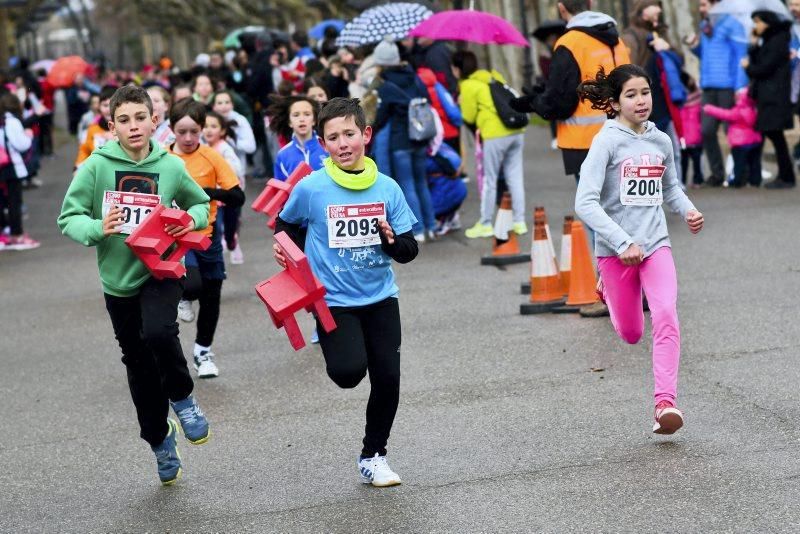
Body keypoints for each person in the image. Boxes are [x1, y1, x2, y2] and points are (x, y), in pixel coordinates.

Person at [57, 85, 212, 485]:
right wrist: (96, 227)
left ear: (154, 120)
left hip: (160, 270)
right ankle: (160, 440)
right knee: (139, 364)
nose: (133, 126)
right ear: (112, 126)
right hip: (118, 280)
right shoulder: (95, 166)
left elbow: (201, 204)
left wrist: (189, 220)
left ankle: (183, 398)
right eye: (123, 120)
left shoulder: (172, 166)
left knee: (160, 332)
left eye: (140, 118)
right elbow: (68, 217)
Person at [273, 97, 418, 487]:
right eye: (333, 137)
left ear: (365, 135)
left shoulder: (387, 189)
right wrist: (286, 250)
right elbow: (284, 226)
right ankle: (345, 347)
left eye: (349, 134)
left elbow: (409, 248)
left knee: (388, 377)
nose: (343, 144)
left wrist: (390, 241)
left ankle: (374, 455)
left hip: (382, 297)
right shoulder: (311, 188)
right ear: (323, 144)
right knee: (348, 373)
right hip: (334, 302)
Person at [575, 64, 704, 435]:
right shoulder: (606, 142)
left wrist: (689, 210)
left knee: (665, 314)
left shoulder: (661, 140)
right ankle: (606, 287)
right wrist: (621, 242)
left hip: (655, 245)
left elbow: (671, 189)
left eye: (645, 92)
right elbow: (585, 203)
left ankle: (665, 404)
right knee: (631, 333)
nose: (641, 100)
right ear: (614, 103)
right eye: (631, 95)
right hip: (616, 253)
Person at [510, 0, 630, 318]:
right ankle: (635, 289)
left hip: (585, 142)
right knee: (622, 214)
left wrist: (532, 102)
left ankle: (610, 293)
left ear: (562, 8)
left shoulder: (570, 42)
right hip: (622, 136)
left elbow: (561, 102)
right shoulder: (616, 40)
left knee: (597, 218)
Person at [169, 99, 245, 378]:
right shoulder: (163, 159)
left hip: (209, 236)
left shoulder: (212, 157)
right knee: (193, 283)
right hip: (177, 237)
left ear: (202, 129)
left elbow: (237, 196)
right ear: (170, 130)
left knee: (212, 296)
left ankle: (203, 352)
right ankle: (184, 296)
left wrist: (206, 193)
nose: (188, 138)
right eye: (182, 132)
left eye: (194, 131)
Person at [453, 49, 527, 239]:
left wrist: (462, 103)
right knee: (515, 177)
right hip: (516, 130)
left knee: (489, 180)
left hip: (494, 134)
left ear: (458, 69)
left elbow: (468, 116)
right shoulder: (494, 77)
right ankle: (520, 222)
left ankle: (485, 223)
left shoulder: (469, 85)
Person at [373, 38, 438, 243]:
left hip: (400, 141)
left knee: (407, 184)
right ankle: (431, 226)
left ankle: (417, 229)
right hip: (419, 138)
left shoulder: (386, 86)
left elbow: (381, 117)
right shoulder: (415, 77)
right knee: (421, 182)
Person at [687, 0, 748, 187]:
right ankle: (717, 174)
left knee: (733, 132)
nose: (701, 8)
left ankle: (741, 174)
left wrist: (740, 86)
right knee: (706, 130)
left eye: (705, 4)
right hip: (708, 86)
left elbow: (741, 56)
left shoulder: (733, 24)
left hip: (728, 86)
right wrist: (694, 46)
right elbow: (707, 55)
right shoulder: (705, 25)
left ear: (717, 4)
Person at [743, 10, 797, 189]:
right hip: (768, 95)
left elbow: (763, 68)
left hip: (775, 96)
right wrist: (753, 44)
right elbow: (759, 60)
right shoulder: (768, 39)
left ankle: (786, 176)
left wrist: (748, 67)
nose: (755, 26)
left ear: (767, 22)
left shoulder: (778, 40)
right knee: (774, 134)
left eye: (758, 22)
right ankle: (784, 175)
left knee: (775, 134)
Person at [203, 110, 245, 265]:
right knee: (216, 227)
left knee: (229, 228)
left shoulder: (224, 148)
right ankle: (219, 256)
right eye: (206, 126)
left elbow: (237, 168)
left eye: (213, 126)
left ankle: (232, 241)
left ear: (222, 131)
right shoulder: (204, 148)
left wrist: (220, 170)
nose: (208, 130)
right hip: (215, 197)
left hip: (228, 194)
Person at [0, 92, 39, 250]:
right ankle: (17, 235)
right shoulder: (12, 122)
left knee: (2, 202)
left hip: (2, 166)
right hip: (12, 166)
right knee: (14, 203)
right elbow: (21, 144)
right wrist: (28, 136)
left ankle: (5, 233)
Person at [703, 88, 762, 188]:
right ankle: (755, 181)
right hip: (754, 141)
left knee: (739, 164)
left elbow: (724, 114)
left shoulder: (738, 111)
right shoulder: (753, 110)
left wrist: (709, 109)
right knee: (754, 164)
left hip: (739, 143)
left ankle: (737, 181)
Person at [267, 95, 328, 181]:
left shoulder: (328, 147)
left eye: (307, 114)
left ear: (314, 120)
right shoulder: (282, 155)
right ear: (289, 122)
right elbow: (281, 188)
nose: (302, 119)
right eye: (296, 115)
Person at [75, 85, 116, 169]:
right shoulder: (92, 129)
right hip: (97, 174)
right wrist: (78, 166)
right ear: (99, 107)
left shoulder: (126, 128)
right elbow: (84, 150)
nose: (108, 109)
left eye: (112, 105)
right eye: (105, 105)